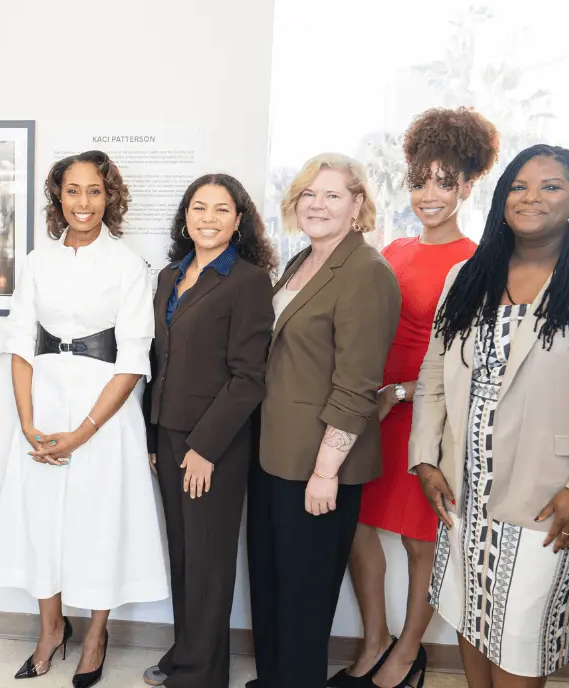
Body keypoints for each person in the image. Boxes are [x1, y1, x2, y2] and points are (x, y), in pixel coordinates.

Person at [411, 145, 569, 688]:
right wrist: (425, 459)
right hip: (463, 490)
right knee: (471, 614)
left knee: (522, 637)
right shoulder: (467, 277)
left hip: (551, 498)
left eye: (551, 186)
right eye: (519, 186)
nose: (532, 197)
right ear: (502, 200)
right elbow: (433, 376)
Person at [0, 150, 168, 688]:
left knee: (97, 521)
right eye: (72, 190)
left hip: (103, 411)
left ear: (109, 196)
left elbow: (135, 359)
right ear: (58, 197)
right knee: (41, 520)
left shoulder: (129, 265)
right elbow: (19, 343)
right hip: (43, 402)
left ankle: (95, 634)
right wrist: (27, 422)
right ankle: (49, 631)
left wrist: (83, 432)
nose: (82, 202)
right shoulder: (38, 261)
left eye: (93, 190)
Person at [339, 108, 498, 688]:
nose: (429, 193)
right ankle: (375, 639)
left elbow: (470, 361)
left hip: (428, 417)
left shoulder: (480, 262)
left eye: (444, 181)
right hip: (372, 412)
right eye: (420, 179)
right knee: (357, 527)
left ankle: (408, 654)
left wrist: (403, 392)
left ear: (468, 183)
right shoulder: (396, 248)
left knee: (419, 538)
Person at [247, 153, 401, 688]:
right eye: (309, 194)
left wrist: (325, 470)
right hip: (273, 453)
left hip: (317, 463)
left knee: (304, 599)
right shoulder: (300, 261)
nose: (317, 204)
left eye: (333, 195)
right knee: (269, 585)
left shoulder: (366, 272)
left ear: (358, 205)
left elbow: (357, 384)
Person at [141, 174, 276, 688]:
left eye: (222, 210)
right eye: (199, 208)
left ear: (239, 221)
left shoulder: (248, 281)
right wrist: (156, 438)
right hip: (168, 433)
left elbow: (249, 377)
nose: (208, 219)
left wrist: (203, 448)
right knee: (182, 552)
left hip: (214, 442)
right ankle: (188, 651)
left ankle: (202, 674)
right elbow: (159, 360)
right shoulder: (169, 276)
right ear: (185, 216)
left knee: (210, 561)